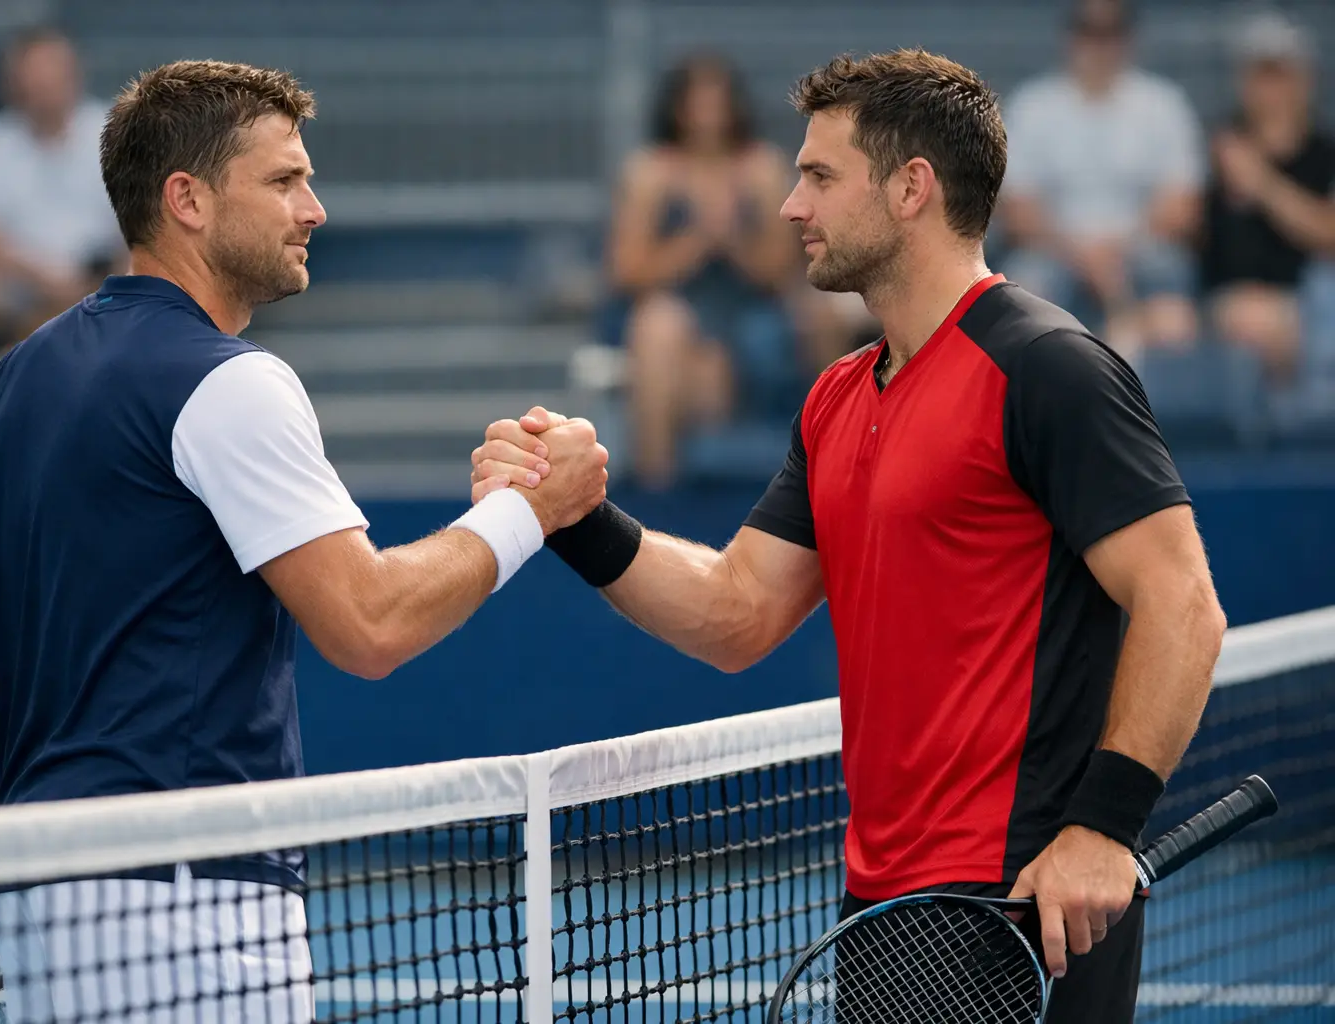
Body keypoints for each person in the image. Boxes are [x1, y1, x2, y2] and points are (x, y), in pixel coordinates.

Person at [474, 49, 1225, 1023]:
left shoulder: (1049, 369)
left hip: (1023, 893)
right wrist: (572, 518)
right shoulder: (835, 398)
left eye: (819, 176)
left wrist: (1103, 828)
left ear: (912, 188)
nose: (790, 205)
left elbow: (1184, 603)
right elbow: (736, 612)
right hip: (882, 906)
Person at [0, 59, 607, 1022]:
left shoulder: (17, 375)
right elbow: (369, 624)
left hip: (45, 889)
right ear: (186, 199)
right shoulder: (230, 382)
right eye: (283, 181)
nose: (313, 209)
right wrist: (532, 508)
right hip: (193, 902)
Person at [605, 53, 801, 488]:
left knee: (711, 374)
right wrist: (696, 240)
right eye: (697, 100)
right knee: (660, 327)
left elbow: (779, 270)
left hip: (747, 316)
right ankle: (657, 492)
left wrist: (730, 238)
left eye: (717, 99)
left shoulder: (763, 170)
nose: (707, 113)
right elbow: (626, 271)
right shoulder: (650, 173)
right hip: (674, 311)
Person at [999, 0, 1203, 357]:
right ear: (1071, 37)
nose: (1099, 44)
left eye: (1110, 33)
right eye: (1089, 32)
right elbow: (1017, 211)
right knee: (1018, 300)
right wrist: (1080, 252)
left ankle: (1128, 392)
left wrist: (1116, 250)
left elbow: (1182, 208)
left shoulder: (1163, 105)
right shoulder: (1034, 106)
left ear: (1128, 39)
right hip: (1054, 252)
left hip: (1143, 252)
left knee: (1174, 319)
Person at [0, 26, 126, 351]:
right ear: (14, 81)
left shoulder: (117, 133)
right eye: (33, 75)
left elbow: (139, 223)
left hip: (100, 281)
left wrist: (94, 283)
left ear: (74, 74)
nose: (43, 84)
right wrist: (44, 279)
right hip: (17, 287)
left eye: (52, 72)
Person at [1201, 8, 1335, 384]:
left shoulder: (1324, 154)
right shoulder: (1219, 146)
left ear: (1305, 80)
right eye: (1261, 75)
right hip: (1227, 299)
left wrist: (1261, 182)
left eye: (1280, 75)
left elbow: (1328, 232)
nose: (1270, 90)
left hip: (1309, 301)